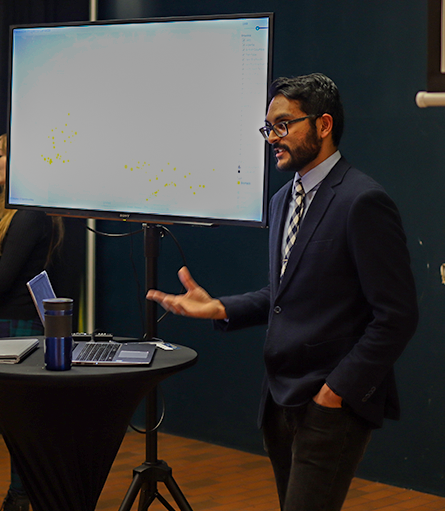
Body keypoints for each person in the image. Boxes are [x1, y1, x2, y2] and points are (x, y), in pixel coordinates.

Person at [147, 73, 418, 511]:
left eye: (283, 124)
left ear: (323, 125)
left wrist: (335, 393)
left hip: (331, 404)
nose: (273, 137)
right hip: (278, 400)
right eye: (267, 127)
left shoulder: (362, 200)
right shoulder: (281, 200)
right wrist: (219, 308)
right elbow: (283, 293)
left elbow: (397, 315)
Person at [0, 133, 64, 511]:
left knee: (17, 423)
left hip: (16, 330)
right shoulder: (4, 209)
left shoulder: (30, 215)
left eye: (2, 155)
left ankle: (19, 496)